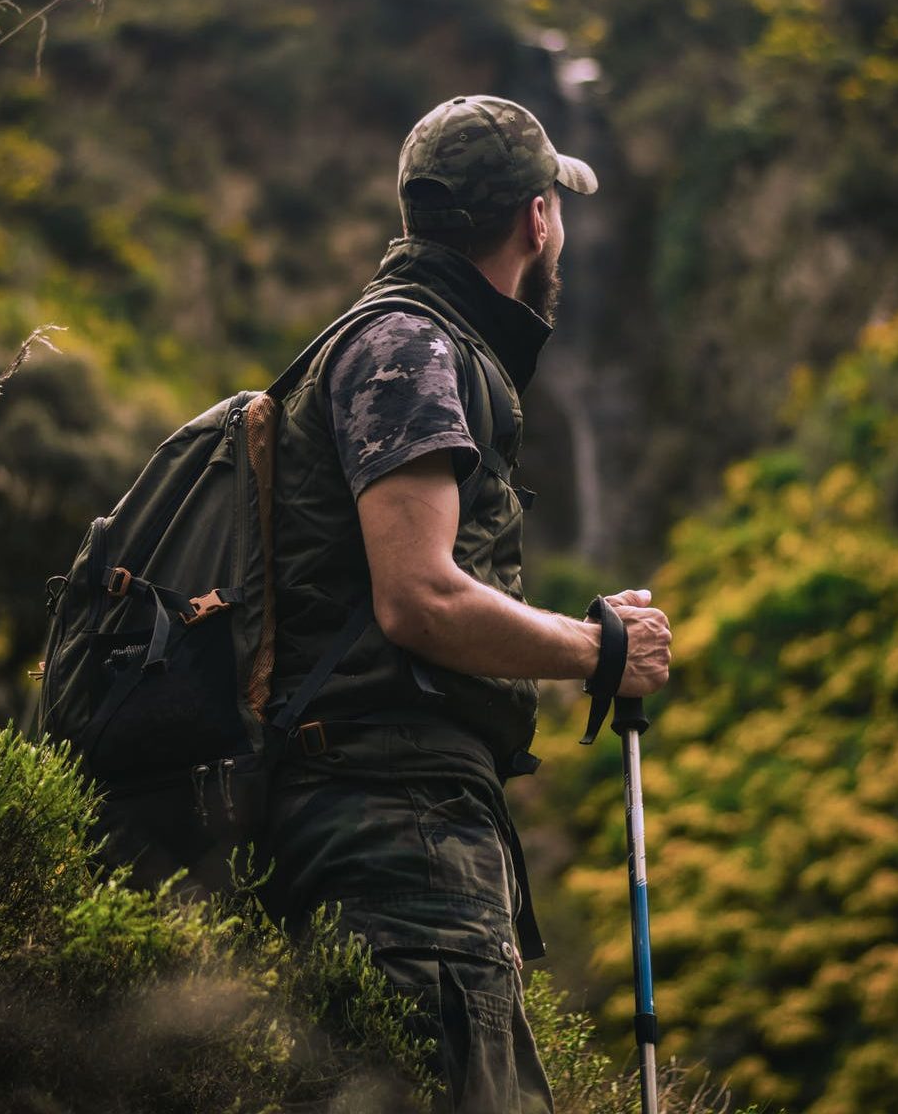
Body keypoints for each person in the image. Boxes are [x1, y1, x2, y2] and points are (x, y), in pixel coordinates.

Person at [262, 95, 671, 1113]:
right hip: (397, 835)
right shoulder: (413, 349)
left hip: (393, 824)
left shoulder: (407, 342)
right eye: (555, 209)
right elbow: (420, 600)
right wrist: (596, 651)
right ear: (539, 219)